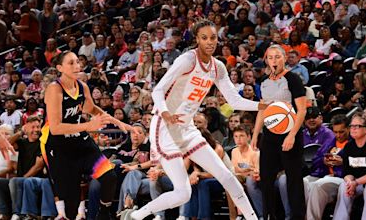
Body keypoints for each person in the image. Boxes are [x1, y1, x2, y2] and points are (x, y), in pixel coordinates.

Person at [129, 19, 266, 220]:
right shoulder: (187, 60)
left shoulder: (218, 67)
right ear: (197, 39)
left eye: (213, 38)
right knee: (183, 193)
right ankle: (137, 216)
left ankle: (252, 218)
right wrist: (166, 112)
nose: (210, 42)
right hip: (165, 128)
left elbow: (234, 100)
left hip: (187, 127)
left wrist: (262, 106)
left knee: (226, 175)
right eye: (204, 38)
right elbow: (158, 90)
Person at [40, 51, 132, 219]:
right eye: (71, 63)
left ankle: (103, 214)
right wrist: (89, 125)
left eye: (77, 62)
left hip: (79, 140)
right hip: (57, 146)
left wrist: (116, 121)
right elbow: (55, 128)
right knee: (71, 204)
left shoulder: (82, 86)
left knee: (109, 176)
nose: (77, 66)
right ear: (60, 68)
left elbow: (91, 109)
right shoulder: (54, 89)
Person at [251, 44, 307, 219]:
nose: (274, 60)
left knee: (293, 181)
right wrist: (255, 135)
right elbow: (263, 109)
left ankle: (297, 216)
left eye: (277, 57)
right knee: (266, 180)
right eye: (270, 57)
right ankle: (269, 216)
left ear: (284, 58)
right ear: (266, 60)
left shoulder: (293, 79)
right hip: (269, 135)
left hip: (290, 135)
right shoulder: (264, 82)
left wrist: (291, 136)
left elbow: (302, 110)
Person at [333, 112, 366, 219]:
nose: (353, 129)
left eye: (357, 126)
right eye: (351, 126)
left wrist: (355, 183)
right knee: (344, 185)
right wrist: (350, 182)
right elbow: (347, 172)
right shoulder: (349, 146)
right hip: (361, 181)